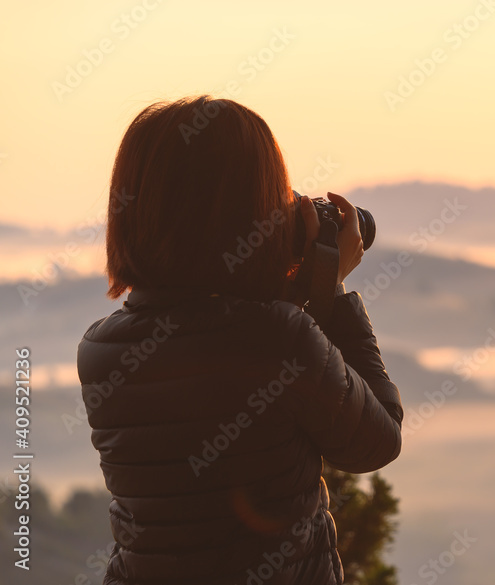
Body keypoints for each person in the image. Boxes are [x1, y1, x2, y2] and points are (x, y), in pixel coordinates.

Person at [76, 96, 403, 585]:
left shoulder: (102, 351)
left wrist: (287, 291)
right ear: (254, 213)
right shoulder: (281, 338)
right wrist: (330, 292)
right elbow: (376, 442)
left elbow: (206, 338)